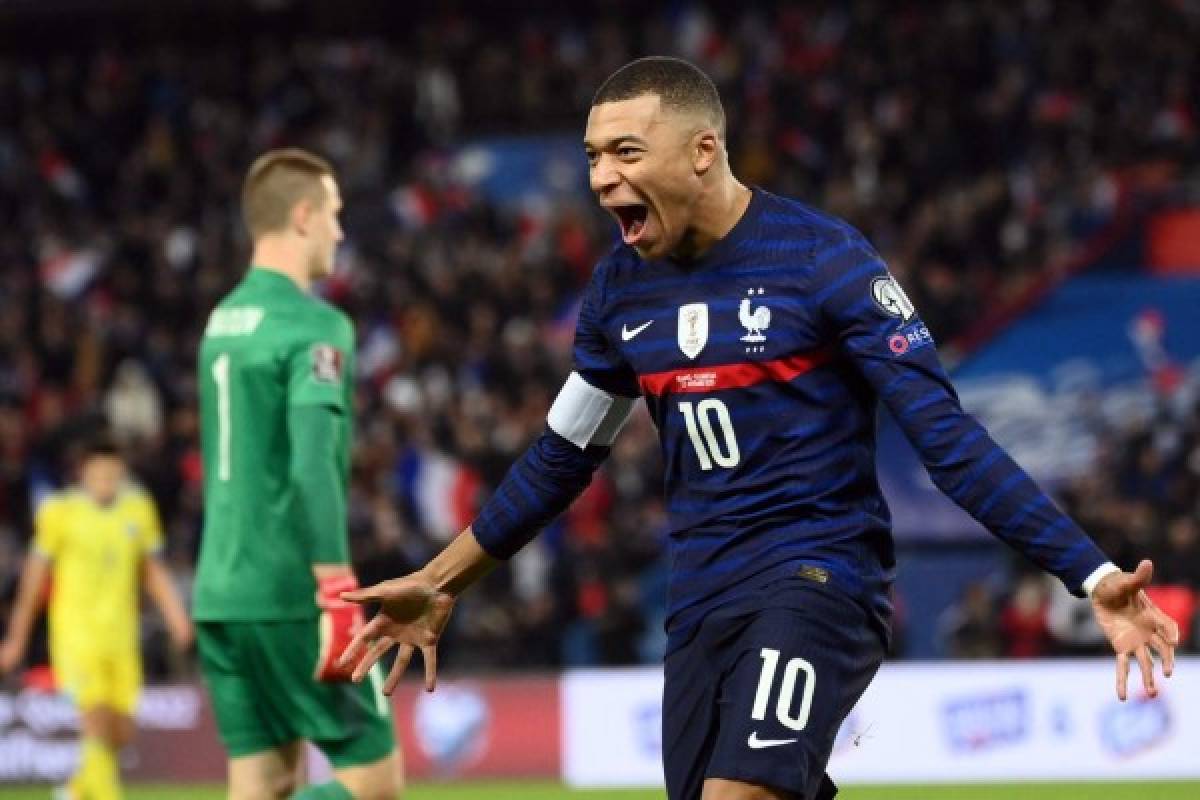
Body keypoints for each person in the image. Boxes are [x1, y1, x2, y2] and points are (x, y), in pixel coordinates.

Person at [337, 58, 1180, 800]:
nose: (600, 178)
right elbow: (561, 458)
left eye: (626, 153)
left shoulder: (824, 262)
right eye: (593, 156)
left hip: (820, 576)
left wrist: (1090, 571)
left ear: (702, 150)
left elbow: (947, 441)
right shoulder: (618, 294)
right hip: (700, 594)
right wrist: (445, 580)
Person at [193, 148, 400, 800]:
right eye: (335, 215)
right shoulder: (314, 325)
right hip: (289, 593)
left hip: (220, 593)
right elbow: (312, 464)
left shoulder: (221, 323)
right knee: (375, 781)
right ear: (304, 216)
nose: (341, 231)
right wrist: (336, 586)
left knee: (267, 780)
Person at [0, 433, 193, 800]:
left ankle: (75, 789)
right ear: (83, 474)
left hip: (121, 637)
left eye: (113, 475)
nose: (106, 483)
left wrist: (176, 616)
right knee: (96, 720)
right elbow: (34, 579)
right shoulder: (59, 512)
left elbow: (151, 570)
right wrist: (17, 638)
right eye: (99, 475)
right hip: (75, 635)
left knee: (121, 731)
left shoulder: (138, 509)